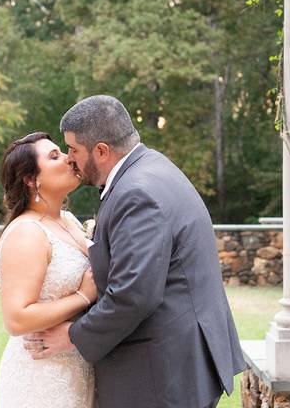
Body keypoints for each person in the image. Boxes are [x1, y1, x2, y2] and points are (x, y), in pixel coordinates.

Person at [25, 95, 247, 408]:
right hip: (179, 359)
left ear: (101, 151)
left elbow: (133, 295)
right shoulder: (151, 167)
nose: (69, 158)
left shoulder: (136, 193)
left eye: (73, 149)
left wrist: (73, 335)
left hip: (161, 374)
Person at [0, 132, 98, 408]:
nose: (68, 158)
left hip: (76, 365)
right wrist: (82, 296)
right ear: (31, 179)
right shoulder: (27, 232)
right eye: (54, 156)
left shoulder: (67, 220)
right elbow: (17, 318)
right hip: (40, 376)